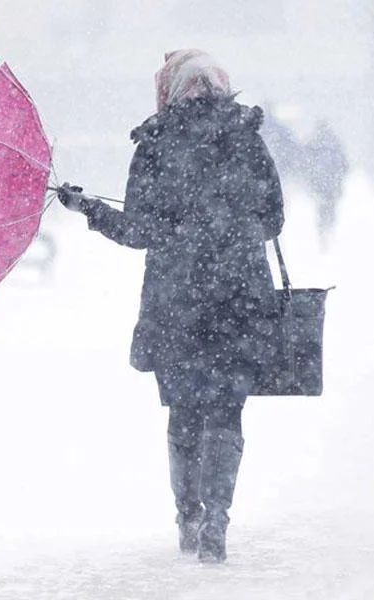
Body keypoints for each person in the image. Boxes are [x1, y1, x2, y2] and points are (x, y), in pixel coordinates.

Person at [57, 49, 284, 563]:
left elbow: (137, 230)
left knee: (184, 414)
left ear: (169, 90)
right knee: (226, 412)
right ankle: (219, 519)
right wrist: (227, 231)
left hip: (177, 299)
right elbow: (273, 219)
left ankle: (190, 517)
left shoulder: (157, 144)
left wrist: (89, 208)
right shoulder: (246, 139)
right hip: (239, 297)